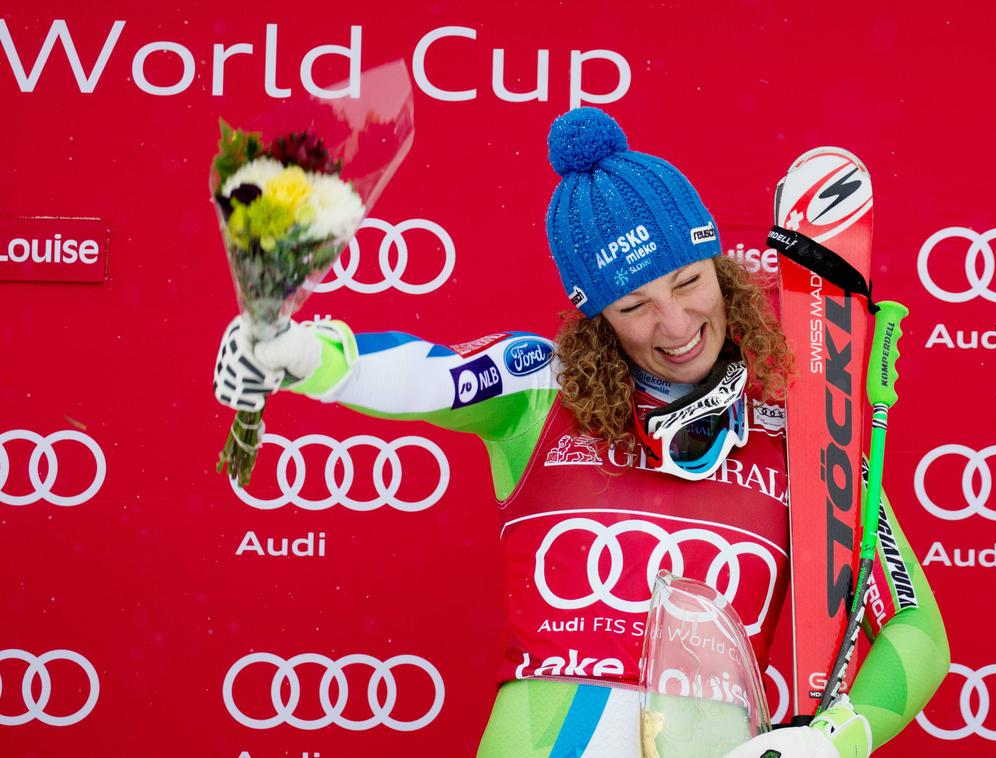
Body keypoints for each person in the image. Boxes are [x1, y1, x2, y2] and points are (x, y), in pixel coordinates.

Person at [213, 107, 949, 757]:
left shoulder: (804, 432)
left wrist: (835, 740)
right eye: (634, 304)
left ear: (723, 270)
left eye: (689, 281)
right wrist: (304, 355)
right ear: (595, 318)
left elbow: (918, 633)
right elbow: (428, 375)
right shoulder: (540, 396)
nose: (676, 324)